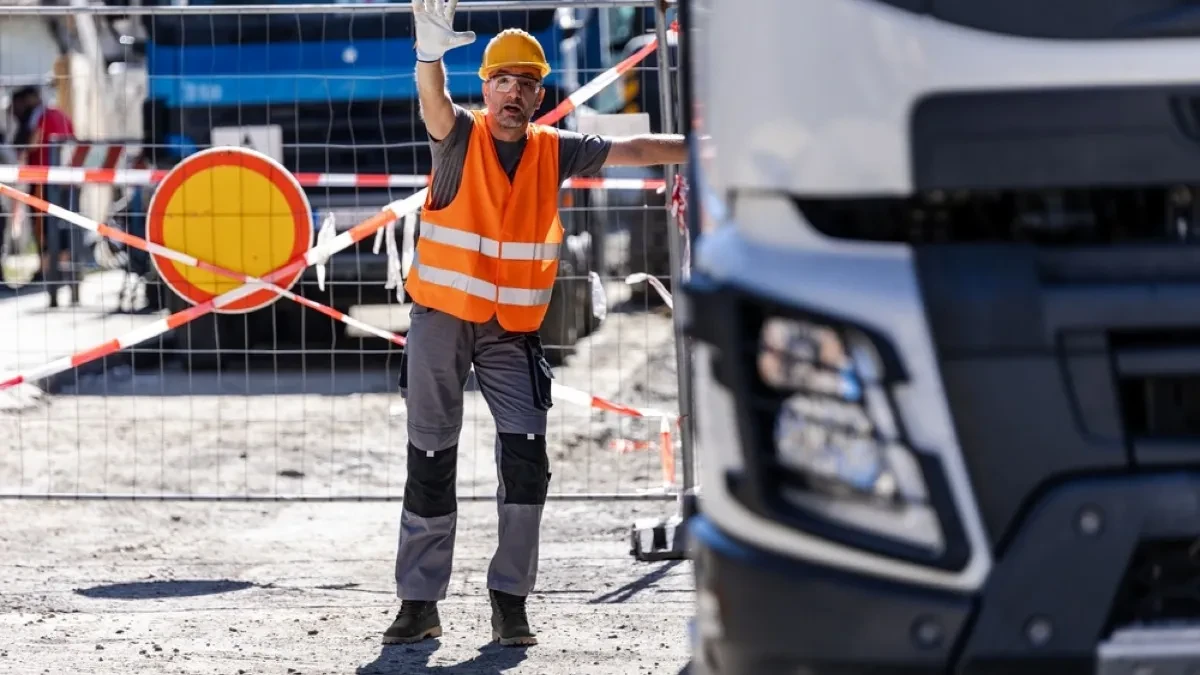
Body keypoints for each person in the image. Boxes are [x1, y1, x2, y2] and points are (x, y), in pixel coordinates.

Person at [384, 0, 688, 648]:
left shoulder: (555, 149)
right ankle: (419, 601)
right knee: (430, 457)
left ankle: (509, 598)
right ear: (486, 87)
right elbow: (432, 101)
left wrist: (701, 149)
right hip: (442, 317)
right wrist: (428, 56)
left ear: (538, 93)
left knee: (526, 458)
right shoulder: (457, 136)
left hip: (511, 331)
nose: (514, 94)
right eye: (503, 82)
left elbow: (633, 147)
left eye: (526, 84)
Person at [7, 85, 77, 307]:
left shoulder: (39, 118)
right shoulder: (60, 115)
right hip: (67, 180)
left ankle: (48, 270)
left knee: (44, 226)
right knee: (64, 225)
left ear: (29, 99)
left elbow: (31, 145)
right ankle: (64, 270)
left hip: (43, 179)